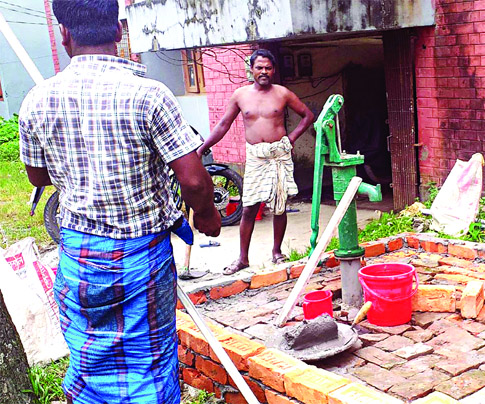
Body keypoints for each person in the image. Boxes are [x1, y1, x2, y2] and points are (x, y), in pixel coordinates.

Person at [18, 1, 221, 403]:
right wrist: (208, 218)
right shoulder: (150, 95)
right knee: (150, 356)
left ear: (64, 34)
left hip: (78, 256)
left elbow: (38, 177)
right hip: (140, 258)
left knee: (89, 356)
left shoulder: (36, 100)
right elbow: (195, 181)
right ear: (119, 31)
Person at [198, 49, 314, 274]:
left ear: (274, 70)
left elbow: (308, 116)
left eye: (268, 68)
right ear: (251, 69)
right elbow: (223, 124)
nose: (264, 72)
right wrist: (203, 148)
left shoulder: (283, 93)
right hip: (255, 156)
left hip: (278, 155)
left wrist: (290, 138)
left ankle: (277, 252)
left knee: (279, 206)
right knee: (249, 207)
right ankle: (242, 259)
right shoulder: (240, 95)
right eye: (259, 67)